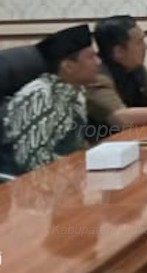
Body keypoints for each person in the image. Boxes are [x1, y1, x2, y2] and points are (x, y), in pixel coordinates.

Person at [0, 24, 99, 175]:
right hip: (28, 183)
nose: (99, 62)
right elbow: (34, 162)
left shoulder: (75, 90)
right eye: (91, 57)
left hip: (68, 174)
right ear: (68, 67)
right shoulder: (40, 96)